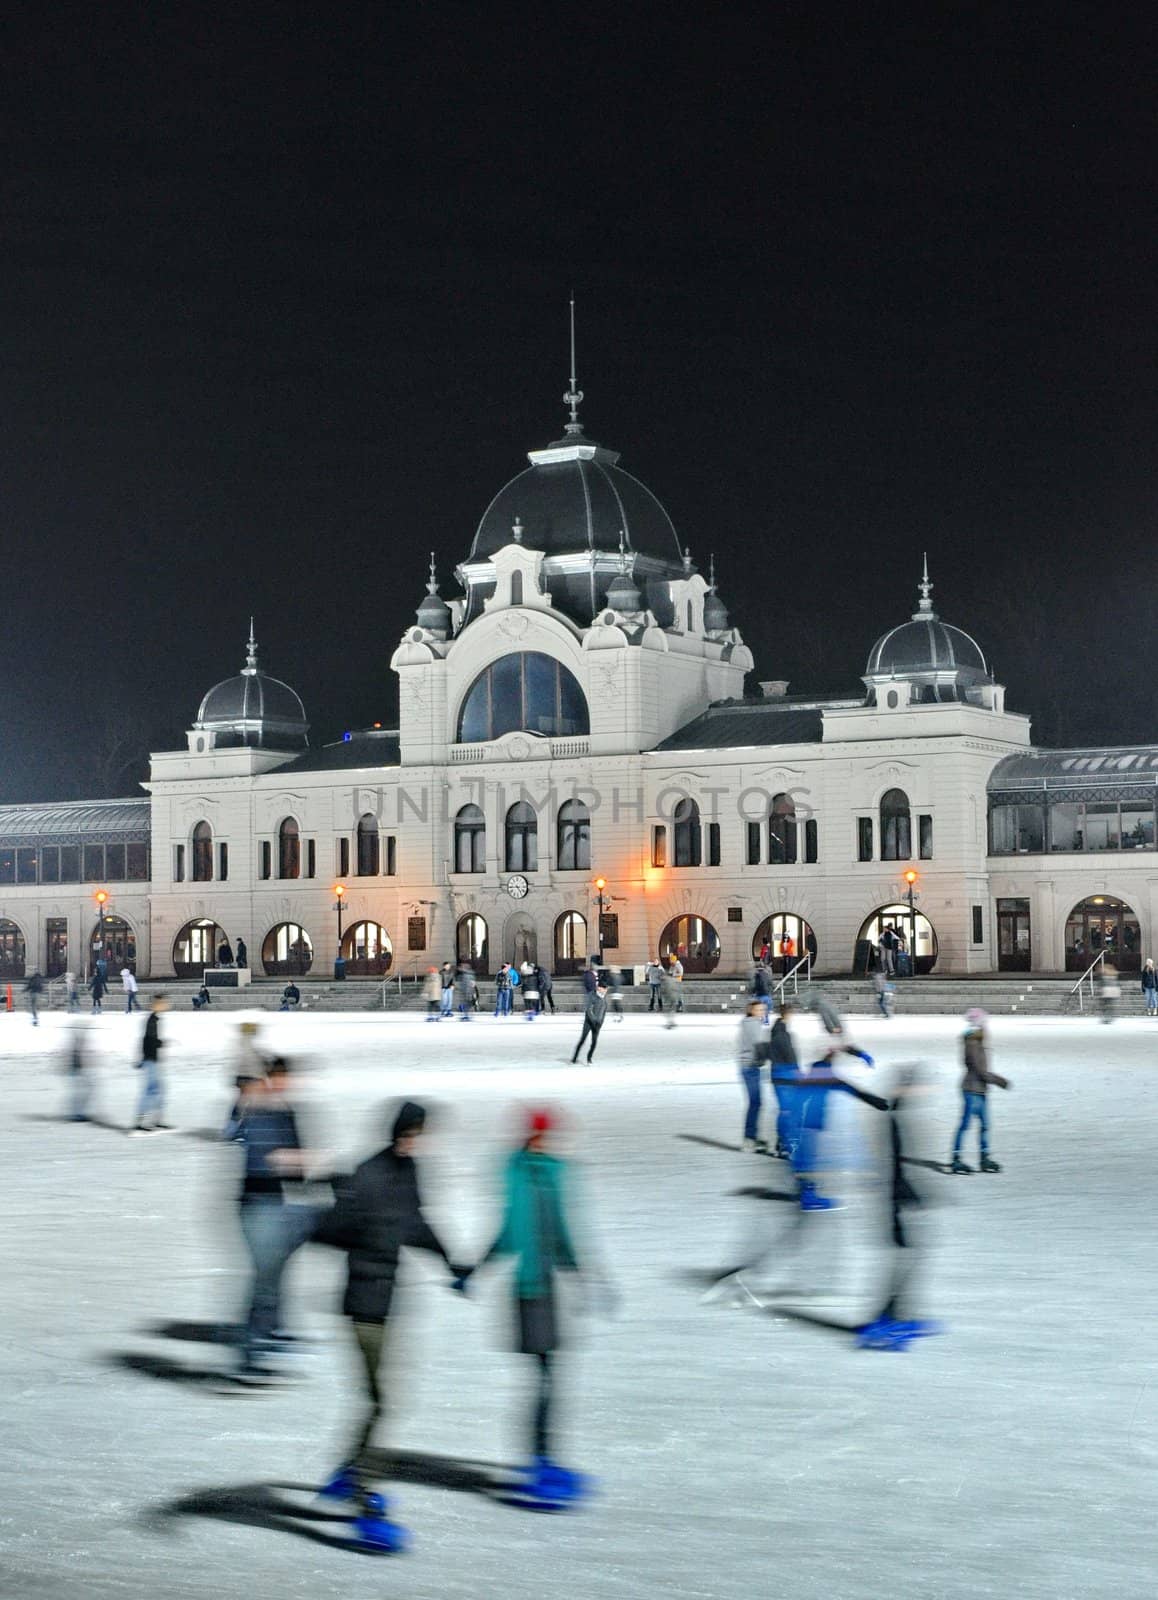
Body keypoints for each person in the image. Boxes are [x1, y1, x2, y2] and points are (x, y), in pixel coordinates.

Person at [314, 1101, 464, 1551]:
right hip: (362, 1305)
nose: (415, 1140)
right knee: (383, 1403)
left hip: (385, 1303)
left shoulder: (407, 1172)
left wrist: (451, 1261)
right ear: (398, 1131)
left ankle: (350, 1471)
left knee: (379, 1400)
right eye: (411, 1132)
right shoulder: (368, 1175)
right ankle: (363, 1494)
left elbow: (416, 1224)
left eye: (420, 1133)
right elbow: (329, 1230)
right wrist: (348, 1204)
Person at [467, 1108, 590, 1506]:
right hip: (528, 1287)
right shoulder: (519, 1172)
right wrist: (478, 1269)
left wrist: (576, 1269)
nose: (544, 1141)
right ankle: (538, 1459)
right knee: (543, 1378)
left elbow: (561, 1228)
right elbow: (510, 1231)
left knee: (549, 1376)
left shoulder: (551, 1171)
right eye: (539, 1135)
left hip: (547, 1285)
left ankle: (543, 1457)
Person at [232, 1059, 318, 1383]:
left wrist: (305, 1170)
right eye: (279, 1079)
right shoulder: (255, 1113)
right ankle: (250, 1349)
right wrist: (295, 1160)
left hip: (276, 1203)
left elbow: (295, 1160)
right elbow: (264, 1159)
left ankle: (271, 1330)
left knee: (276, 1273)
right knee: (264, 1278)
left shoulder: (282, 1111)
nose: (285, 1085)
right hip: (255, 1206)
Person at [856, 1066, 943, 1351]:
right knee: (907, 1260)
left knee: (909, 1259)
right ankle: (884, 1322)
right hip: (892, 1204)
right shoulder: (894, 1118)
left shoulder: (896, 1115)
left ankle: (893, 1316)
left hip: (894, 1200)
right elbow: (893, 1168)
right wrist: (911, 1196)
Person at [949, 1009, 1010, 1173]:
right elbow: (979, 1070)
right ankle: (956, 1159)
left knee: (984, 1125)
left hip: (979, 1090)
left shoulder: (978, 1042)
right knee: (965, 1125)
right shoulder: (973, 1043)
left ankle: (984, 1158)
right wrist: (1000, 1081)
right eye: (984, 1023)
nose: (987, 1026)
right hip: (971, 1089)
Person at [130, 994, 171, 1135]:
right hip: (151, 1060)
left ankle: (154, 1120)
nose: (166, 1005)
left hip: (151, 1059)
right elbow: (148, 1040)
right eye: (163, 1003)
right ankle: (141, 1122)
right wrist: (161, 1043)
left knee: (158, 1090)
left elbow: (147, 1040)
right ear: (157, 1004)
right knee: (151, 1090)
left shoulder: (154, 1019)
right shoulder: (152, 1020)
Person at [738, 999, 769, 1152]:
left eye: (764, 1010)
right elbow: (759, 1045)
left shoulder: (749, 1023)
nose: (762, 1013)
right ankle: (749, 1139)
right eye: (759, 1010)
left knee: (756, 1103)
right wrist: (764, 1059)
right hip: (750, 1067)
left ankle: (752, 1137)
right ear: (752, 1011)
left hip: (749, 1066)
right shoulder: (753, 1024)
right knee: (755, 1103)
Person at [571, 984, 607, 1063]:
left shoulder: (604, 999)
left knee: (594, 1042)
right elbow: (588, 1010)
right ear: (598, 988)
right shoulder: (591, 995)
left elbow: (603, 1013)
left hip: (597, 1024)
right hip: (588, 1022)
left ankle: (589, 1058)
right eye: (603, 988)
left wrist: (600, 1023)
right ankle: (574, 1057)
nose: (605, 990)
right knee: (582, 1040)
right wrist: (593, 1020)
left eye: (606, 989)